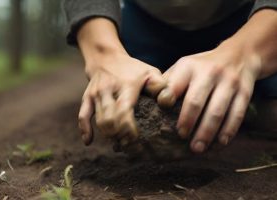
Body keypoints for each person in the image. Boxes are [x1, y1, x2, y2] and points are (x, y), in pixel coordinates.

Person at [63, 0, 277, 153]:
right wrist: (105, 53)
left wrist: (247, 52)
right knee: (132, 99)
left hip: (246, 16)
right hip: (143, 22)